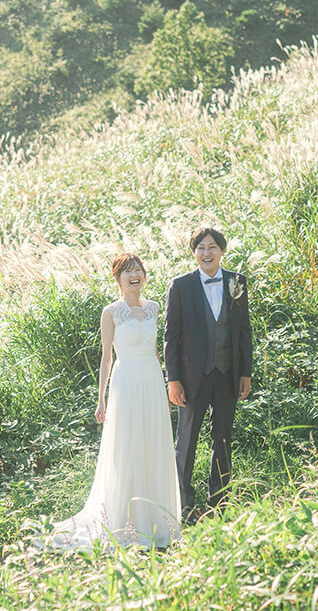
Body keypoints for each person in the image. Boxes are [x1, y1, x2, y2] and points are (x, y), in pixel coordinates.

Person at [45, 253, 181, 550]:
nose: (135, 275)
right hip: (126, 381)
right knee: (127, 447)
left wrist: (164, 387)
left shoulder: (155, 308)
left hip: (150, 379)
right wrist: (101, 399)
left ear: (144, 276)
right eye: (128, 271)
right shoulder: (111, 312)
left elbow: (156, 351)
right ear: (118, 279)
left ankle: (156, 521)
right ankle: (125, 520)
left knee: (152, 445)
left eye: (138, 270)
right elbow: (106, 357)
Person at [163, 225, 253, 521]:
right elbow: (170, 336)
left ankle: (220, 501)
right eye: (200, 248)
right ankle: (183, 503)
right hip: (191, 377)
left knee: (223, 438)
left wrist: (246, 373)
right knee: (186, 440)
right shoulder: (180, 286)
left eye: (212, 247)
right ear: (194, 253)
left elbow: (243, 332)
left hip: (228, 374)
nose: (206, 253)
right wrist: (173, 379)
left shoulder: (236, 282)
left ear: (221, 251)